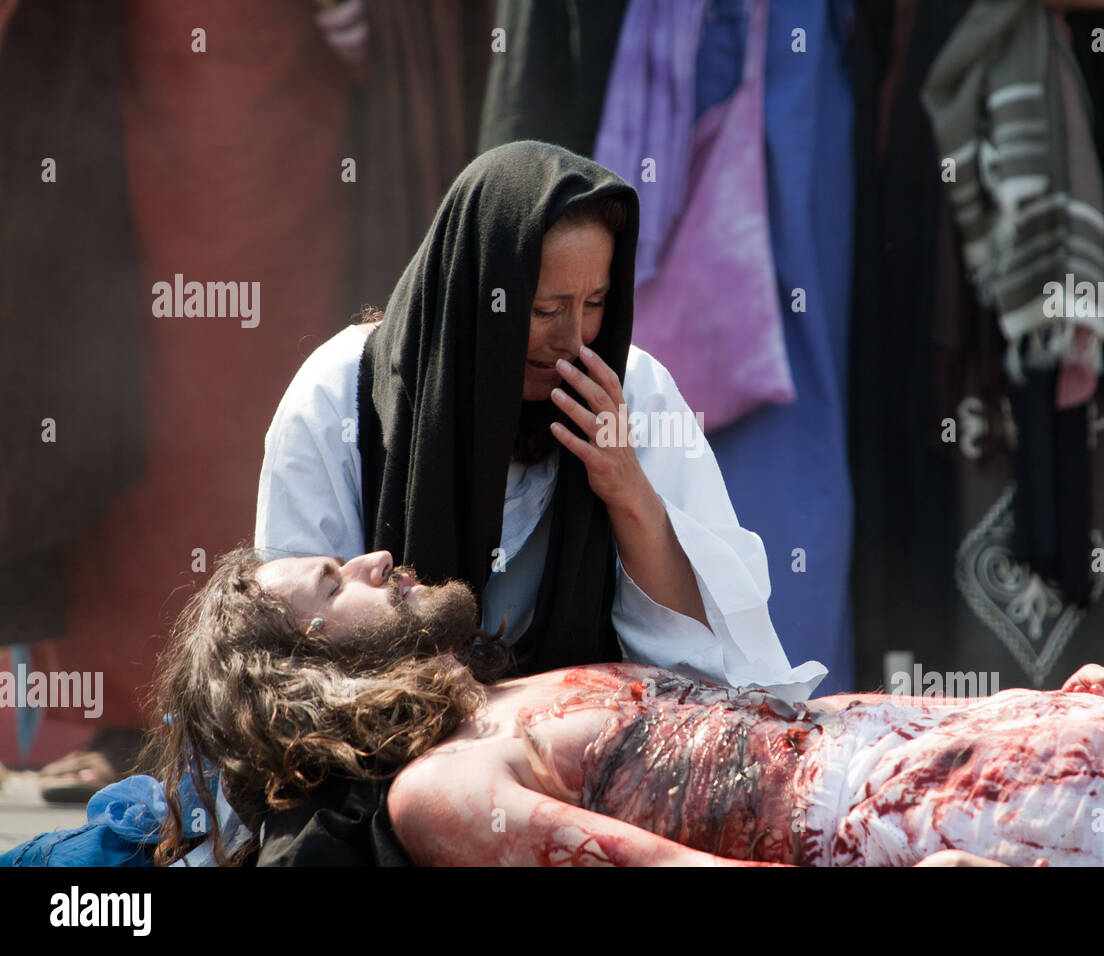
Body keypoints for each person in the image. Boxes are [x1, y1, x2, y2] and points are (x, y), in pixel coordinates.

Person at [250, 140, 823, 862]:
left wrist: (628, 492)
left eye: (595, 303)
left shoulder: (630, 393)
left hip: (594, 759)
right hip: (380, 768)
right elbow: (292, 648)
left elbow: (710, 663)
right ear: (476, 288)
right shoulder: (341, 401)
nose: (571, 338)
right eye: (544, 307)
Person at [147, 549, 1104, 867]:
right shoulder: (440, 785)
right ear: (306, 675)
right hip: (931, 817)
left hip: (948, 750)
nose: (377, 556)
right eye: (335, 583)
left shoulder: (499, 693)